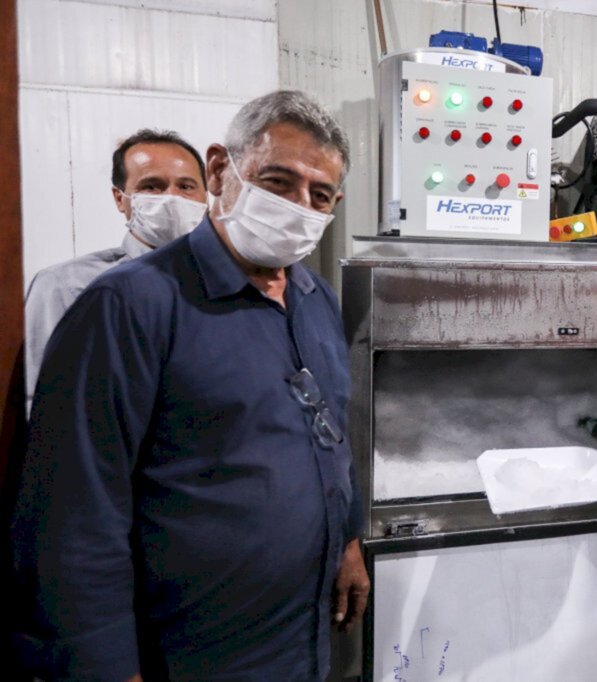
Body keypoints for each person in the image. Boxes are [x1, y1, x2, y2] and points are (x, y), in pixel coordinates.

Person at [11, 90, 369, 681]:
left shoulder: (314, 299)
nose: (299, 206)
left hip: (298, 642)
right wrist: (104, 667)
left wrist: (348, 541)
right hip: (190, 653)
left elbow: (329, 437)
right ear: (222, 170)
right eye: (279, 183)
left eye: (320, 194)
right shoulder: (129, 305)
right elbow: (71, 513)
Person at [23, 129, 209, 412]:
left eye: (186, 186)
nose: (172, 198)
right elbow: (41, 401)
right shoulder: (67, 287)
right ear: (120, 198)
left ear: (206, 197)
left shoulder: (232, 284)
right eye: (152, 186)